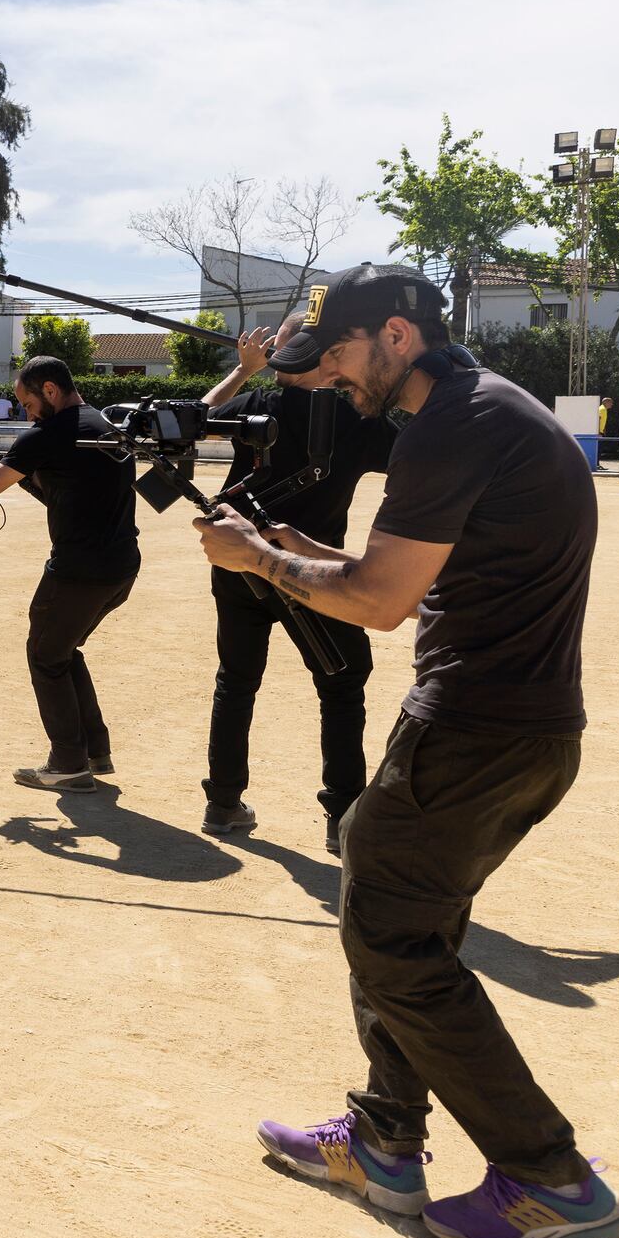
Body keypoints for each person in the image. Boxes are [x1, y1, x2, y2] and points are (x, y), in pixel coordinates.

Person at [196, 264, 619, 1238]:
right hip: (519, 729)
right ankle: (386, 1137)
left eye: (339, 356)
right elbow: (406, 576)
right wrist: (300, 546)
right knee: (390, 893)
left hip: (476, 728)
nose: (332, 377)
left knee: (391, 938)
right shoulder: (491, 409)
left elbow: (378, 601)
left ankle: (548, 1172)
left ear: (397, 335)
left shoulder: (452, 424)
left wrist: (257, 559)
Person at [196, 314, 393, 849]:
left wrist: (243, 371)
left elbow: (191, 420)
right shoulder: (357, 419)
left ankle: (223, 802)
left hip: (239, 561)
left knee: (236, 680)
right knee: (342, 688)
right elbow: (420, 456)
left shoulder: (254, 405)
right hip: (316, 575)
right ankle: (342, 816)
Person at [0, 356, 138, 791]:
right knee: (63, 651)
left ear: (50, 390)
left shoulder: (48, 433)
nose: (28, 414)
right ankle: (94, 751)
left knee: (45, 656)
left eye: (28, 403)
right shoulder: (107, 425)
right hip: (121, 567)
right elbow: (70, 490)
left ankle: (68, 764)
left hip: (77, 571)